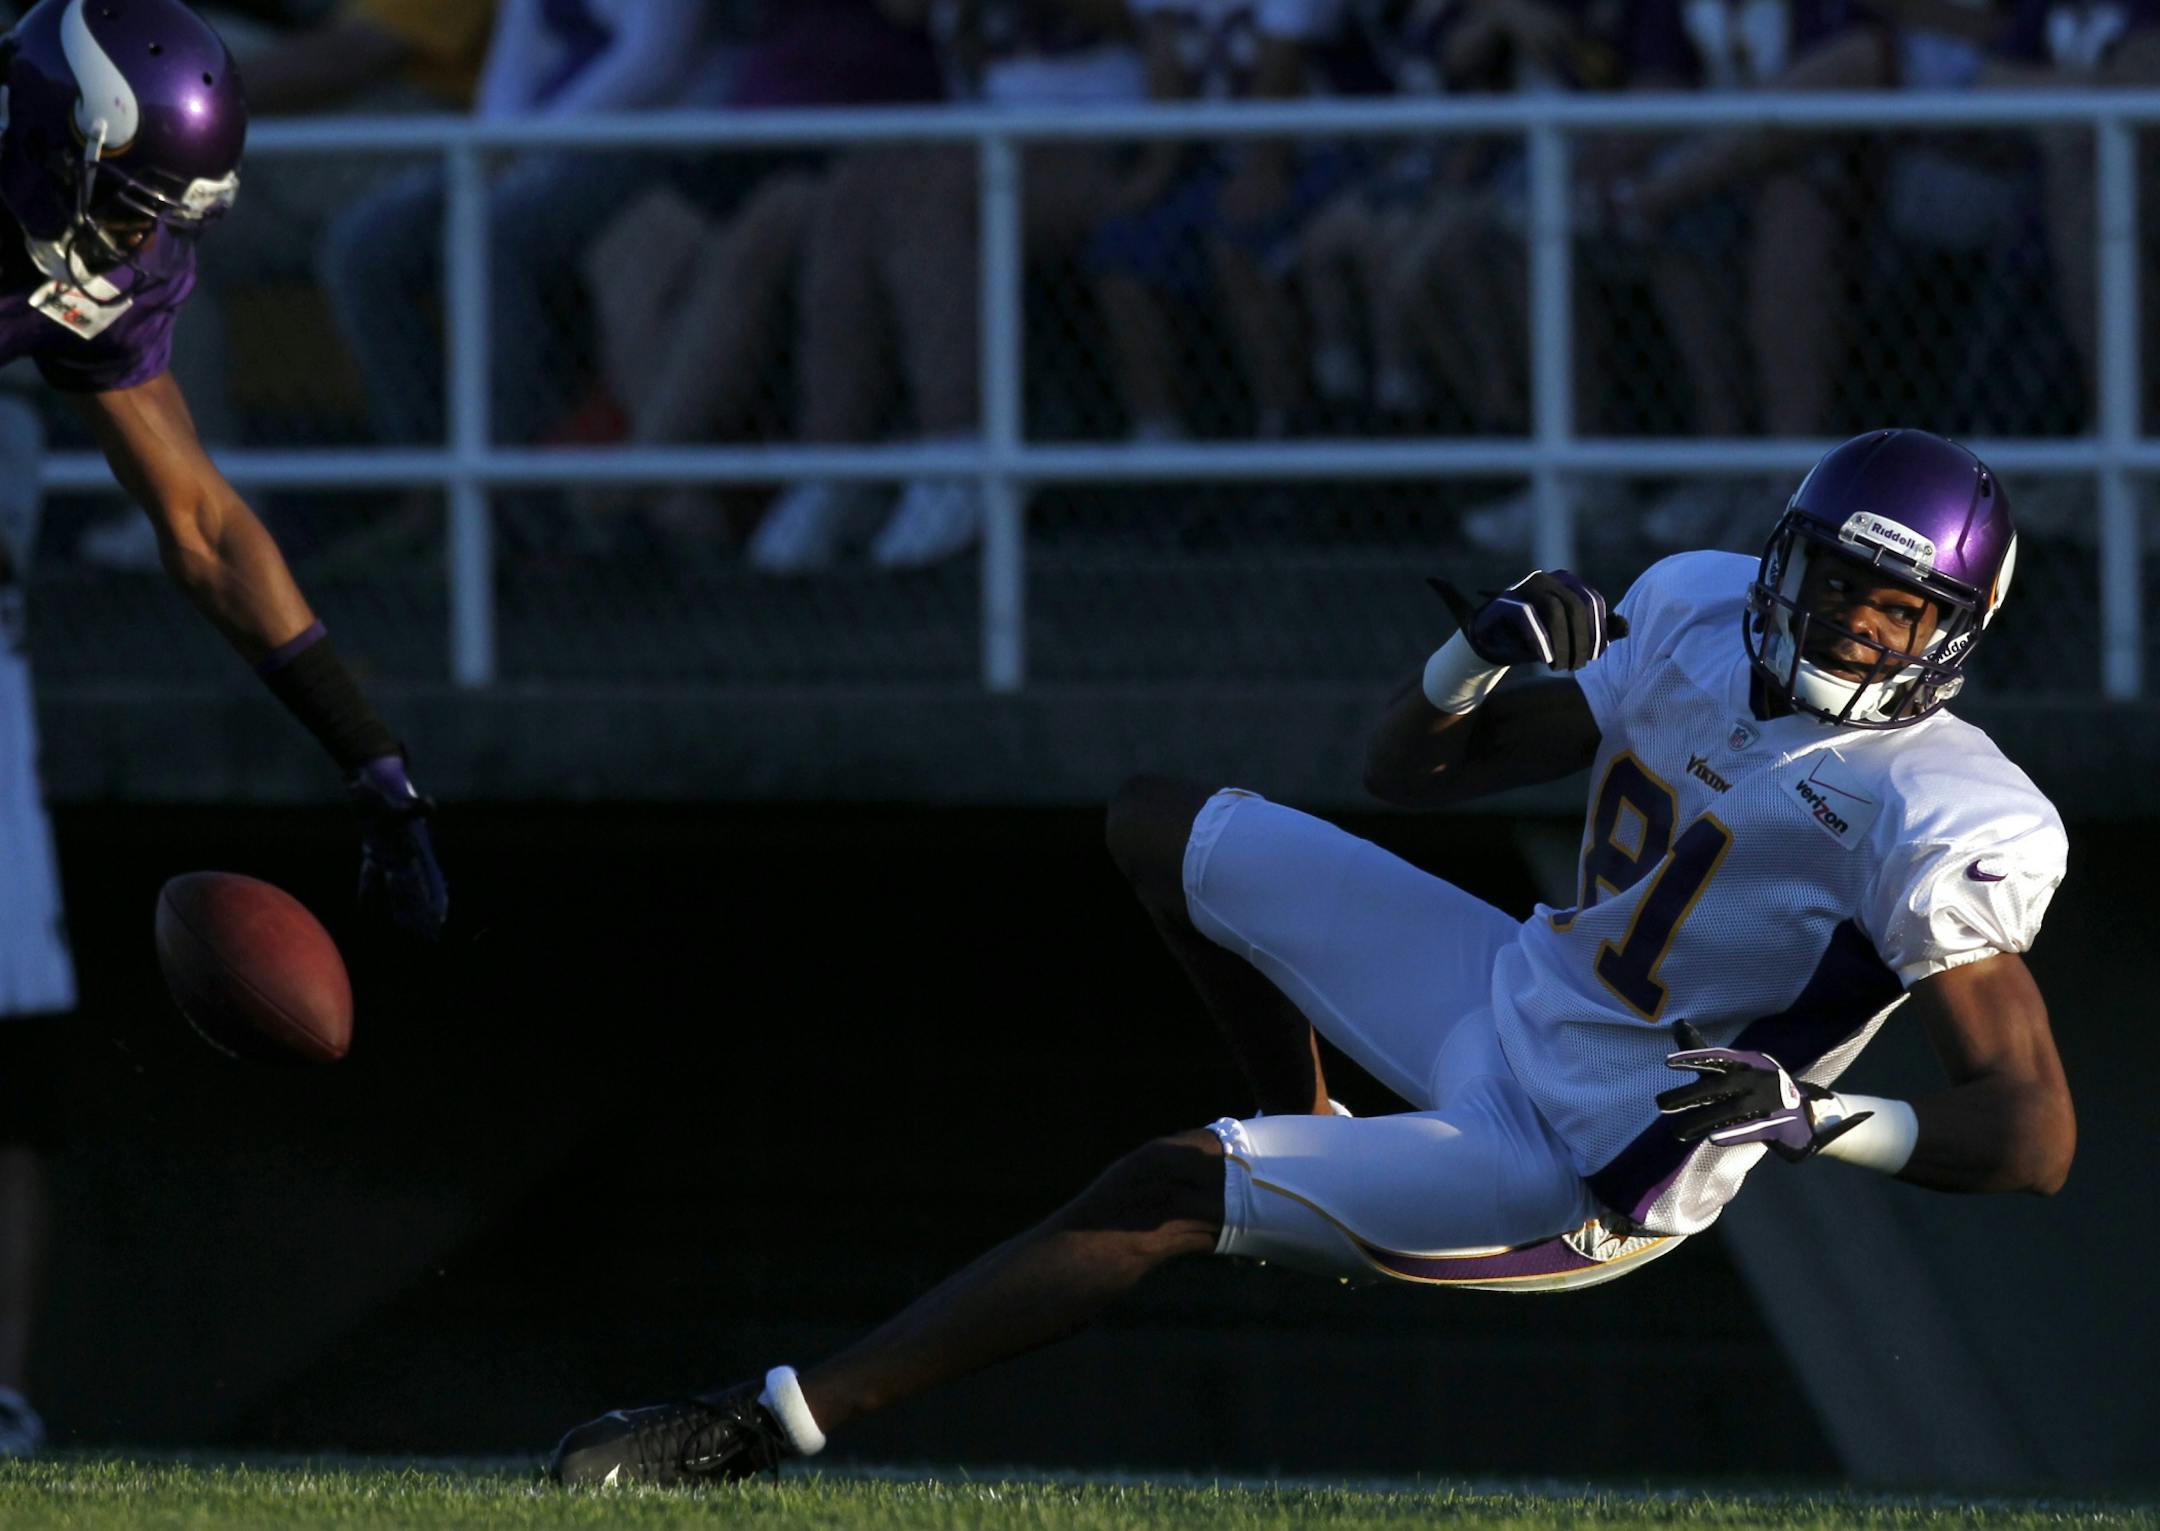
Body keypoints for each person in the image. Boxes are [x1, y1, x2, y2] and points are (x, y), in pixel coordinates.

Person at [544, 427, 2073, 1485]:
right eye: (1823, 579)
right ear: (1777, 555)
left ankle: (762, 1425)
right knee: (1164, 825)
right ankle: (1312, 1118)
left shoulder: (1946, 808)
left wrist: (1810, 1117)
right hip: (1509, 986)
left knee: (1162, 1184)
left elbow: (2032, 1134)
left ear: (1949, 632)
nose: (1840, 625)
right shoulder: (1681, 609)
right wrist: (1469, 660)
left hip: (1592, 1152)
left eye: (1891, 609)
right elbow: (1412, 770)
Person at [0, 0, 448, 938]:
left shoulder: (109, 259)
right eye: (128, 208)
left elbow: (201, 523)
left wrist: (369, 758)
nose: (137, 244)